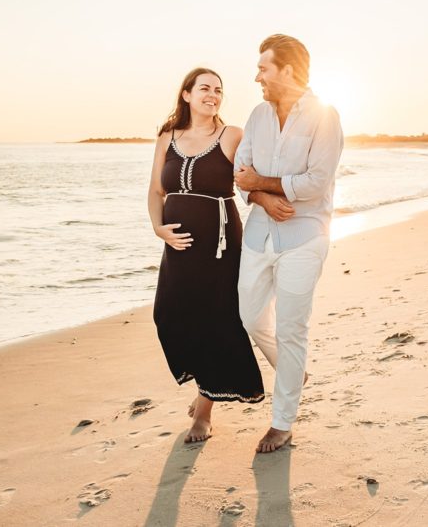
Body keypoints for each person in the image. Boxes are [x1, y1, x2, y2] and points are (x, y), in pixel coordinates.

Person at [234, 34, 344, 453]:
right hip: (259, 234)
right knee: (249, 317)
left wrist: (260, 182)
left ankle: (282, 422)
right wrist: (261, 195)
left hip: (304, 238)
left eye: (263, 67)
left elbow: (316, 183)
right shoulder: (258, 115)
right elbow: (241, 173)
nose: (257, 75)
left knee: (292, 329)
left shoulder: (324, 116)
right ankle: (293, 372)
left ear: (287, 70)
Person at [147, 68, 265, 443]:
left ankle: (204, 410)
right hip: (177, 246)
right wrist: (158, 228)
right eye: (204, 89)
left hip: (220, 241)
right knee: (167, 314)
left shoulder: (230, 136)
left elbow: (250, 180)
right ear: (186, 95)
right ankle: (206, 386)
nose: (212, 95)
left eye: (218, 90)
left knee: (216, 320)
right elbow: (154, 191)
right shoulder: (168, 136)